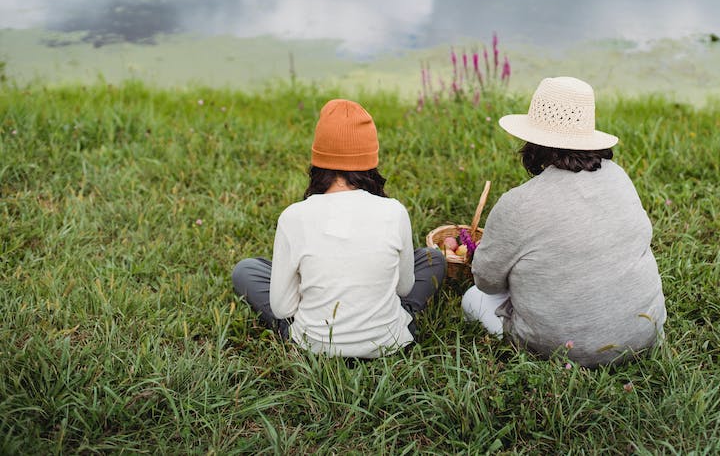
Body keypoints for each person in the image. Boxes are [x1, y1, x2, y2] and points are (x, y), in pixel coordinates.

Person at [462, 76, 666, 367]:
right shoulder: (619, 176)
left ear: (534, 142)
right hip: (644, 331)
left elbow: (487, 282)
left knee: (472, 299)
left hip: (565, 348)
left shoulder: (518, 203)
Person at [232, 99, 446, 358]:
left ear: (317, 159)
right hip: (387, 343)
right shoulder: (394, 211)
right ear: (371, 161)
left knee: (247, 270)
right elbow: (403, 288)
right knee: (433, 259)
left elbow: (282, 308)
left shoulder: (293, 216)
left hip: (314, 345)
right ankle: (392, 319)